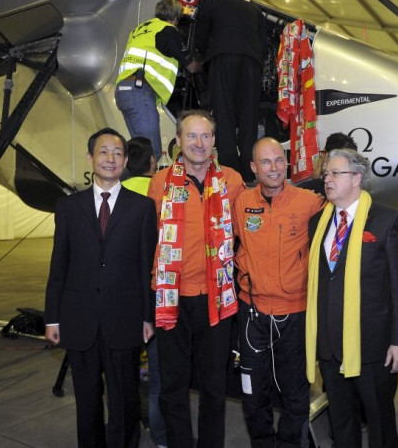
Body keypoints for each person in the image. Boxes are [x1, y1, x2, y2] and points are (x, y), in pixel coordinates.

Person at [44, 128, 157, 447]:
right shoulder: (69, 207)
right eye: (104, 152)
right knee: (88, 403)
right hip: (79, 321)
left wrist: (148, 317)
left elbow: (146, 267)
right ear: (90, 157)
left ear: (125, 160)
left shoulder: (142, 208)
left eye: (117, 153)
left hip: (125, 321)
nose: (111, 158)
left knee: (124, 403)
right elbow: (59, 265)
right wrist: (53, 318)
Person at [147, 109, 246, 448]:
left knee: (213, 388)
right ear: (178, 141)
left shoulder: (232, 181)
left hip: (216, 300)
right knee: (173, 387)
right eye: (192, 136)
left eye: (206, 136)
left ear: (214, 141)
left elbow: (252, 227)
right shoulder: (160, 183)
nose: (199, 143)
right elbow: (148, 241)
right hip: (171, 299)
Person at [307, 148, 398, 448]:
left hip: (373, 347)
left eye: (335, 173)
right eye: (326, 174)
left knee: (380, 421)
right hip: (330, 347)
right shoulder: (317, 224)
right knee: (342, 422)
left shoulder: (386, 220)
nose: (326, 179)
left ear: (357, 178)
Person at [232, 137, 323, 447]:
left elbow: (347, 219)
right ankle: (262, 442)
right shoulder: (241, 203)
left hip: (295, 313)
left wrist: (392, 228)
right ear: (254, 167)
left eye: (278, 160)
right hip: (252, 313)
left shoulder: (309, 202)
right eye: (265, 162)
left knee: (296, 391)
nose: (273, 168)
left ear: (286, 162)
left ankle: (288, 443)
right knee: (252, 391)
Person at [194, 0, 267, 182]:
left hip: (221, 59)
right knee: (248, 114)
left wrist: (201, 57)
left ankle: (229, 169)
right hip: (251, 62)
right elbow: (264, 42)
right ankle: (248, 168)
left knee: (223, 112)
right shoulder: (254, 9)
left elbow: (200, 36)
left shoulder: (211, 6)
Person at [121, 137, 167, 448]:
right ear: (152, 162)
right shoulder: (159, 191)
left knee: (124, 374)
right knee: (158, 378)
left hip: (124, 299)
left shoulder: (118, 195)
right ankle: (160, 435)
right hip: (154, 293)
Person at [116, 0, 199, 160]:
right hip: (139, 91)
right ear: (175, 17)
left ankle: (132, 183)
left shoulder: (140, 29)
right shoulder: (168, 30)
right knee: (152, 154)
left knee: (139, 152)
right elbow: (191, 66)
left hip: (123, 91)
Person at [298, 132, 357, 197]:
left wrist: (316, 181)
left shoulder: (306, 190)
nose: (320, 157)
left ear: (326, 155)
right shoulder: (359, 189)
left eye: (323, 153)